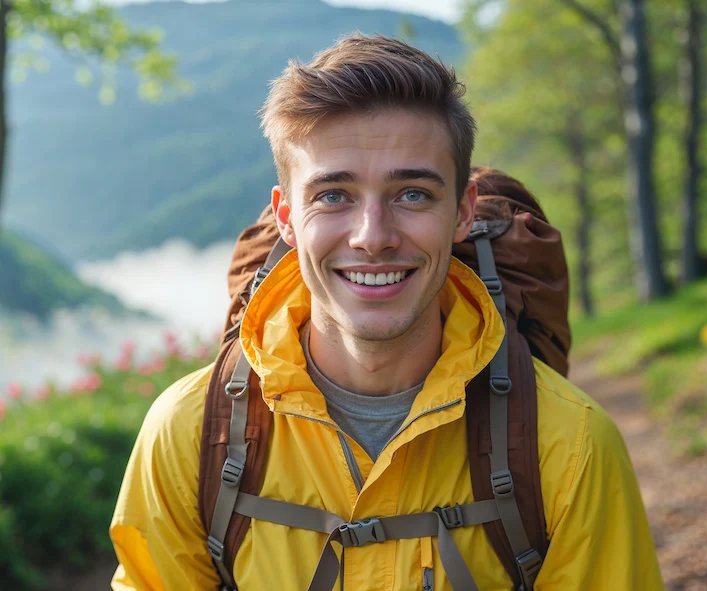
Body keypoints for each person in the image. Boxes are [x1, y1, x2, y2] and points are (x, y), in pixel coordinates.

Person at [109, 33, 664, 590]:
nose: (372, 237)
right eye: (333, 196)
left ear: (463, 211)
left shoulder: (570, 446)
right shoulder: (188, 435)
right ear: (285, 216)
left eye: (413, 194)